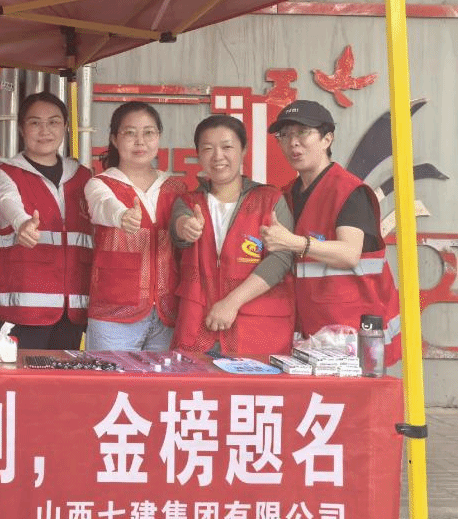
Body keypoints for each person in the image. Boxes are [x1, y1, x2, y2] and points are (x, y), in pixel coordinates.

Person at [261, 99, 401, 363]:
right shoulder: (288, 194)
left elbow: (349, 254)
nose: (293, 143)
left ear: (327, 139)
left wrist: (293, 242)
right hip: (312, 332)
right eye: (285, 135)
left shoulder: (349, 191)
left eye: (303, 132)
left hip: (351, 333)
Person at [170, 115, 295, 357]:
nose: (218, 156)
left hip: (257, 332)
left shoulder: (270, 200)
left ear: (243, 150)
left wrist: (232, 302)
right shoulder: (188, 202)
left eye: (227, 147)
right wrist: (187, 227)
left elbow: (281, 259)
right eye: (208, 149)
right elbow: (180, 226)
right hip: (198, 330)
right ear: (198, 155)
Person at [0, 91, 93, 350]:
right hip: (25, 308)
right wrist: (23, 224)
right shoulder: (6, 174)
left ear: (66, 127)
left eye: (53, 122)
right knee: (22, 375)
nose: (45, 130)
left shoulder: (83, 176)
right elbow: (9, 203)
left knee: (62, 375)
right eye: (35, 122)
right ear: (21, 129)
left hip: (73, 307)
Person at [84, 101, 185, 351]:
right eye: (130, 133)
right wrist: (122, 216)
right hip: (114, 314)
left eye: (148, 133)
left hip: (168, 312)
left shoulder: (176, 187)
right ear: (114, 139)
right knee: (111, 377)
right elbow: (103, 206)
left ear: (158, 137)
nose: (140, 141)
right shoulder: (101, 184)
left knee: (162, 379)